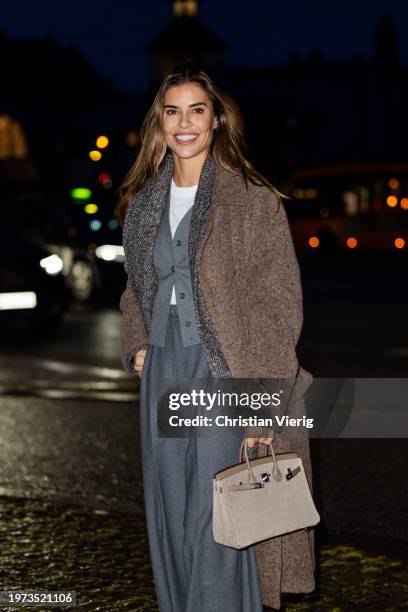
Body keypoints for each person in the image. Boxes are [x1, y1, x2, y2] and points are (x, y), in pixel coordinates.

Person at [116, 63, 316, 611]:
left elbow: (280, 305)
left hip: (224, 368)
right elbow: (136, 287)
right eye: (172, 111)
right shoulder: (142, 206)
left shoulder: (251, 199)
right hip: (161, 372)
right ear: (159, 123)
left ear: (216, 121)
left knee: (219, 513)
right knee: (170, 509)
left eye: (196, 110)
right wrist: (136, 344)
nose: (184, 123)